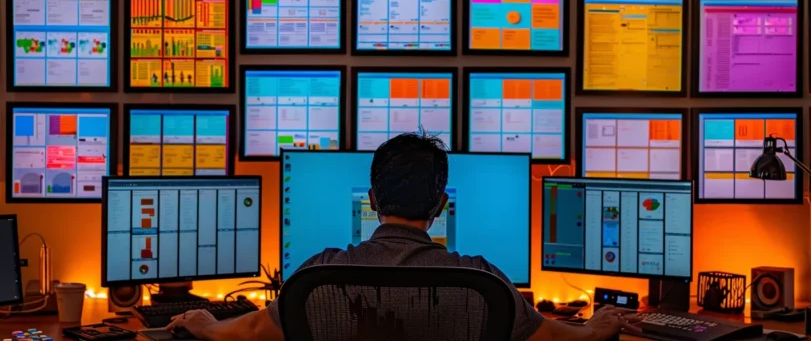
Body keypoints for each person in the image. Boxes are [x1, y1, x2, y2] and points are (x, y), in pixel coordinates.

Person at [166, 133, 640, 341]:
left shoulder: (318, 277)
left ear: (372, 200)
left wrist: (205, 323)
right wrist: (597, 326)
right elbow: (556, 338)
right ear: (440, 206)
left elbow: (249, 331)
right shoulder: (484, 283)